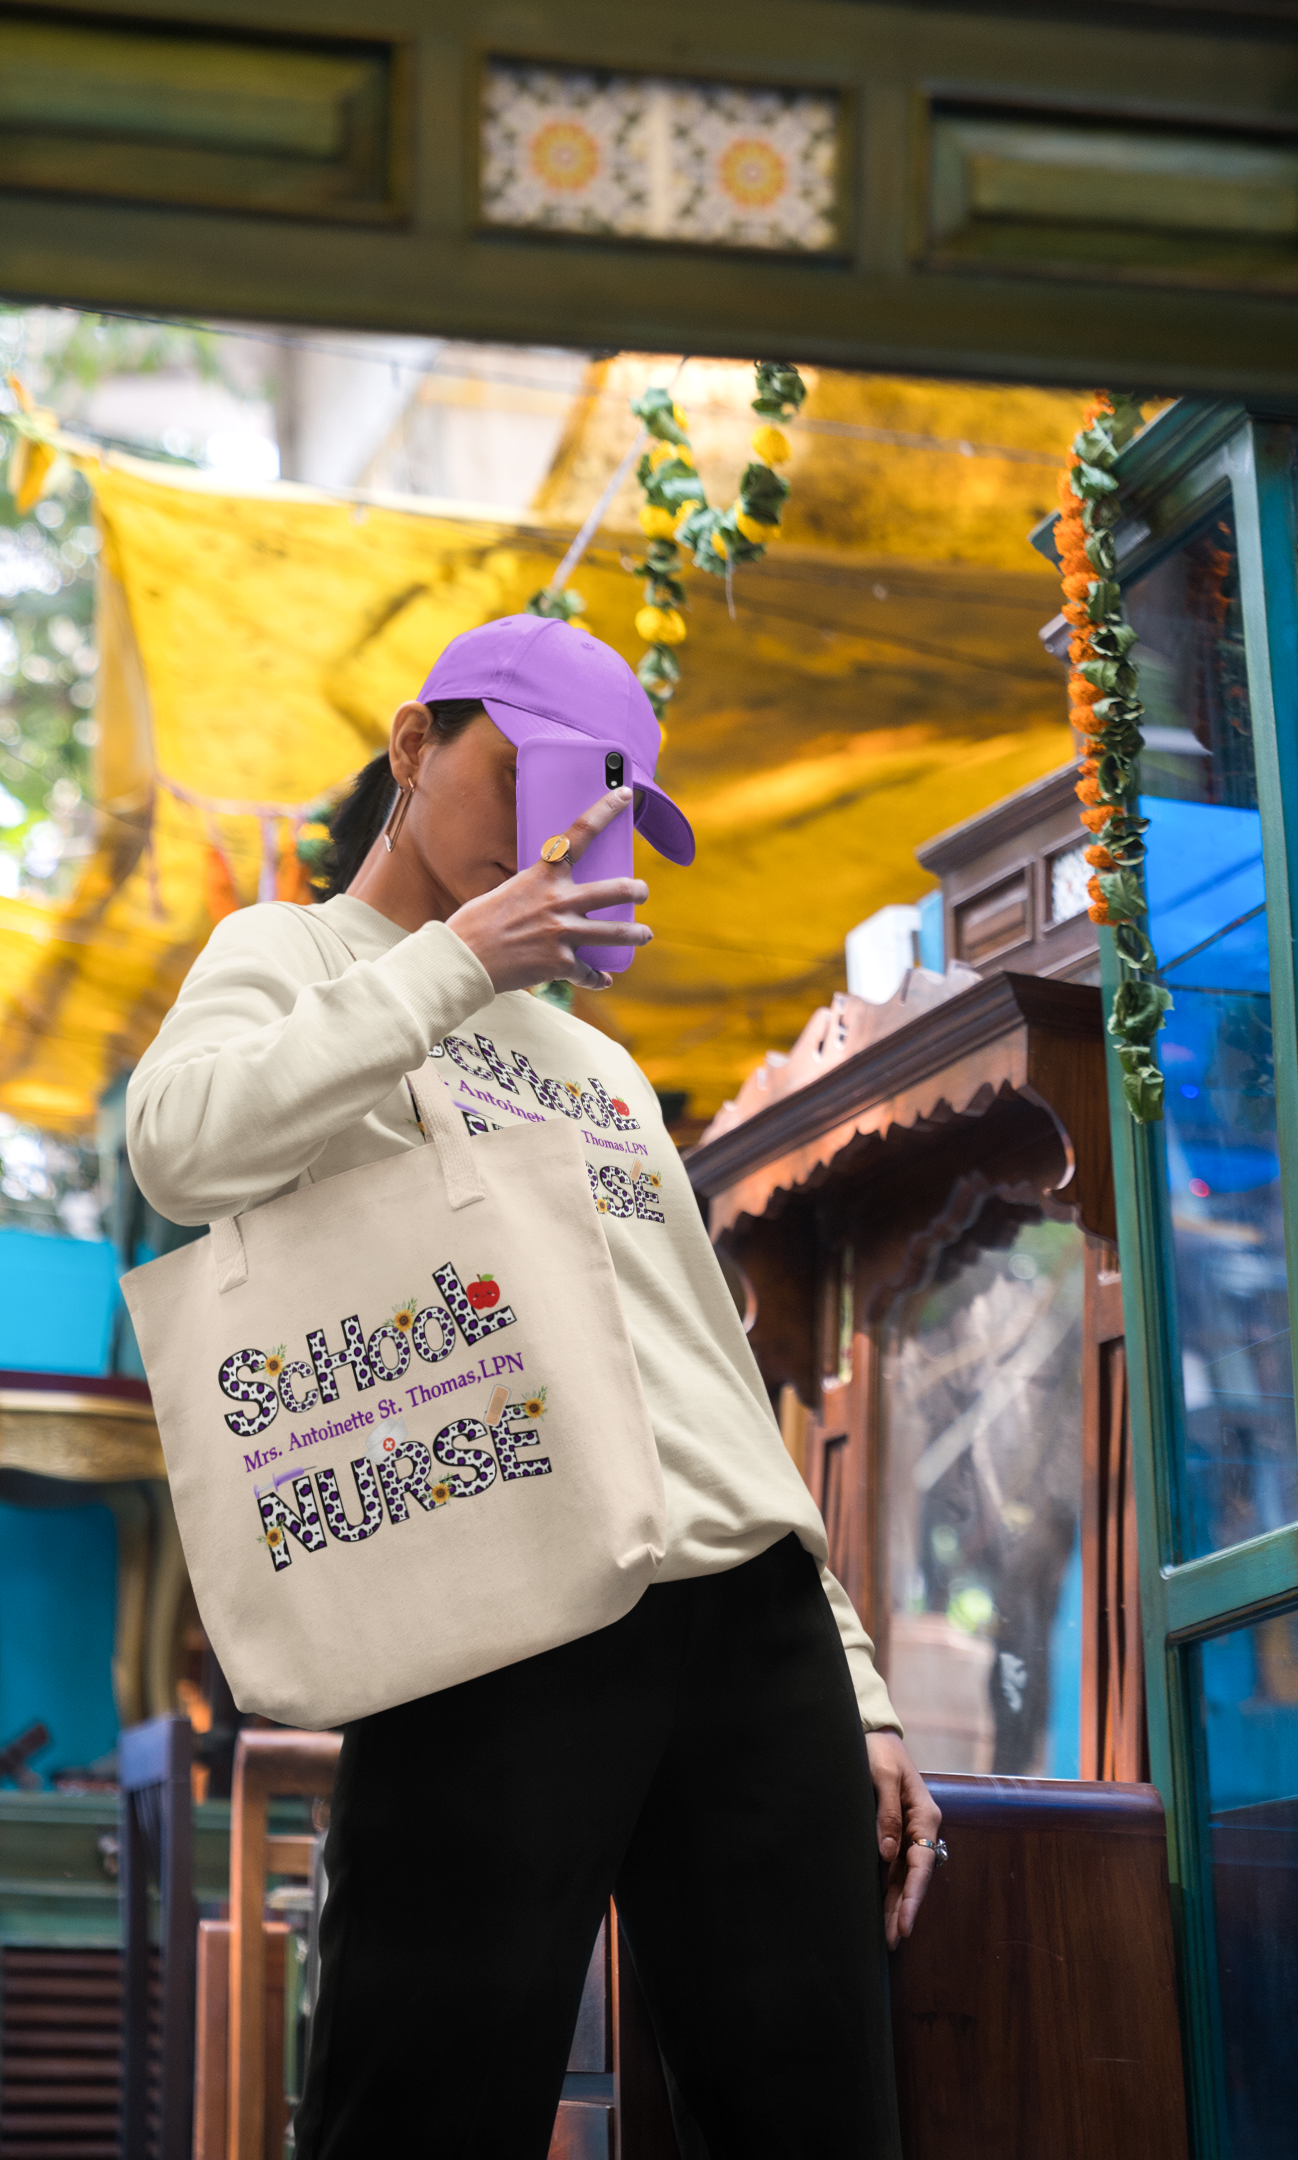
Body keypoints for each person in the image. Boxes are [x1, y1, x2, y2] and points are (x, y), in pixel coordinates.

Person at [127, 614, 943, 2158]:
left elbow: (711, 1379)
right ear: (412, 746)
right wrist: (454, 963)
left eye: (603, 805)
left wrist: (857, 1682)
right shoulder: (288, 954)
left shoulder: (599, 1066)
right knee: (419, 2096)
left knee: (814, 2110)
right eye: (525, 776)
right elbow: (179, 1149)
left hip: (744, 1616)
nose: (559, 833)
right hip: (500, 1591)